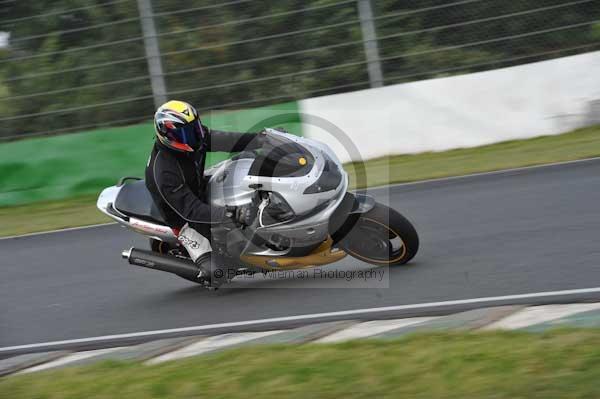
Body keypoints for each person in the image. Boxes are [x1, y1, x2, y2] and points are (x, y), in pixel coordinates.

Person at [145, 100, 262, 284]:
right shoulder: (165, 172)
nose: (194, 135)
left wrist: (259, 139)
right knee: (218, 273)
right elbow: (192, 211)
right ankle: (205, 262)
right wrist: (231, 213)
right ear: (168, 135)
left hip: (198, 184)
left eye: (195, 127)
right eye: (186, 132)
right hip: (184, 217)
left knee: (248, 160)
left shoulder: (193, 137)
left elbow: (224, 139)